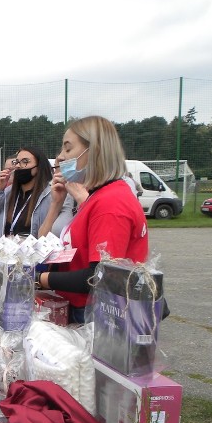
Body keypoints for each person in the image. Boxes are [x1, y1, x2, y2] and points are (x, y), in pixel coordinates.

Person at [37, 116, 149, 323]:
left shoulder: (110, 203)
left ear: (95, 151)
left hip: (97, 314)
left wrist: (39, 279)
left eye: (68, 149)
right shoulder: (99, 197)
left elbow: (100, 276)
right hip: (84, 308)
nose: (60, 157)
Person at [0, 146, 74, 238]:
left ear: (38, 167)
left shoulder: (52, 195)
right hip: (4, 250)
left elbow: (59, 231)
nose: (18, 166)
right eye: (16, 162)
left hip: (33, 251)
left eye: (25, 162)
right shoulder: (8, 193)